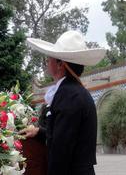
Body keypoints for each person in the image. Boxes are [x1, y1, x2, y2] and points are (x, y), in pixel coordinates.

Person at [19, 30, 106, 175]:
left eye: (50, 59)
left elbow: (62, 149)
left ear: (60, 64)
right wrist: (39, 132)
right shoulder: (73, 91)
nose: (47, 62)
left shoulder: (68, 95)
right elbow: (64, 134)